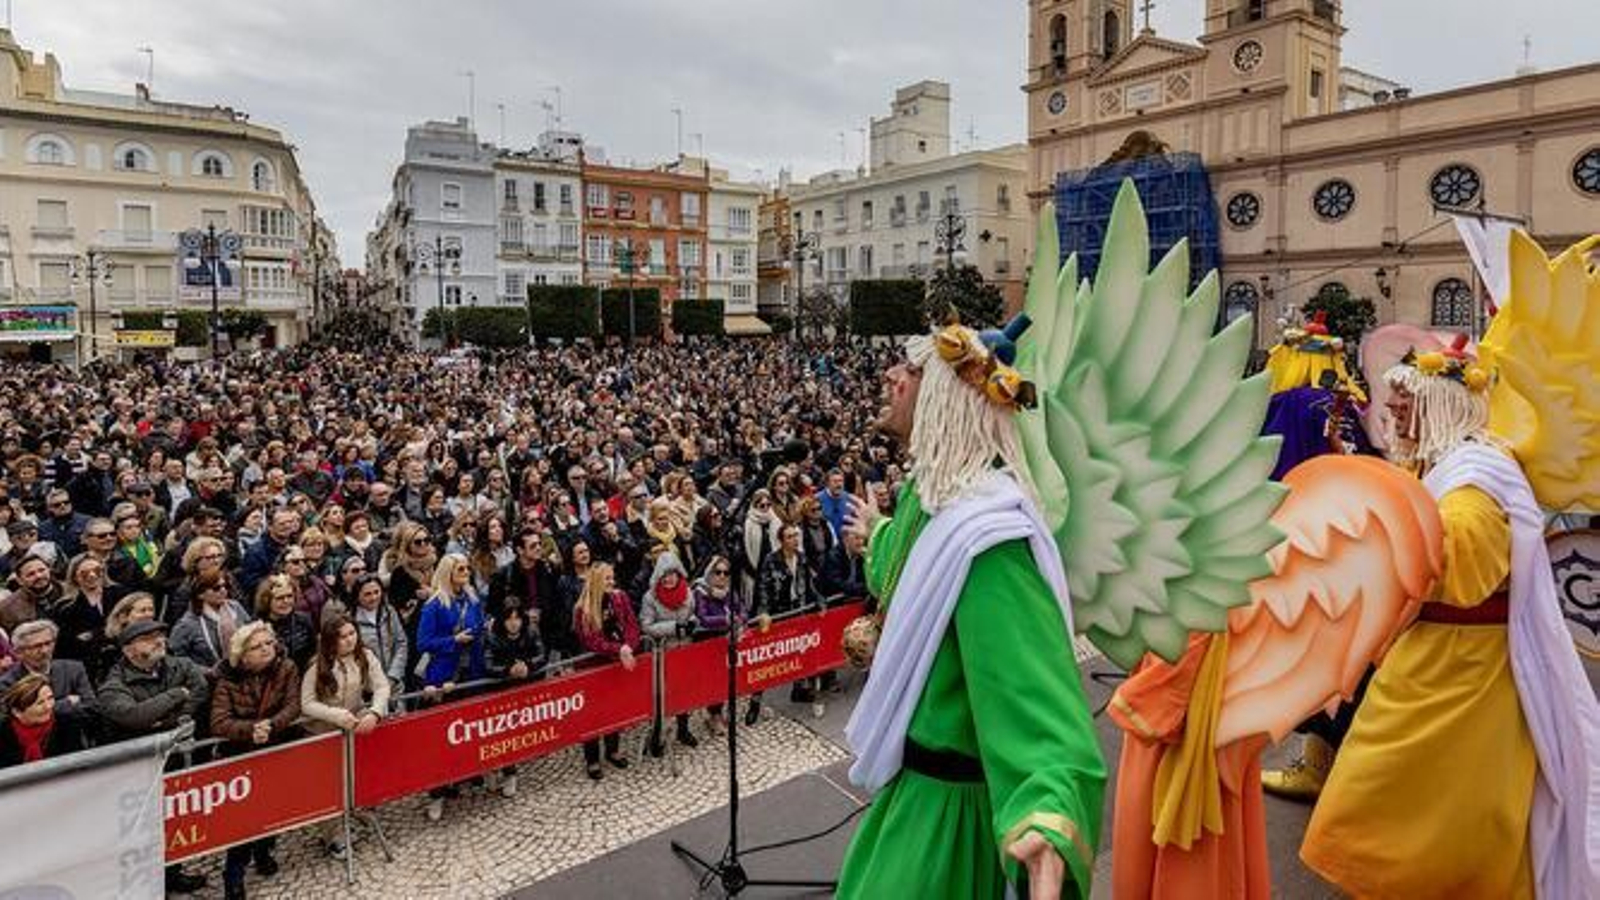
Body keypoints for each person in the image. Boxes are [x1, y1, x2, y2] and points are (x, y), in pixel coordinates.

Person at [1302, 339, 1600, 898]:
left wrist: (1379, 544)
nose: (1389, 411)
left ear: (1438, 405)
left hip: (1460, 670)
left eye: (1402, 402)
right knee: (1390, 800)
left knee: (1419, 811)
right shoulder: (1449, 467)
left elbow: (1465, 570)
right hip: (1435, 660)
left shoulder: (1474, 482)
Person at [836, 319, 1105, 898]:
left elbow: (1041, 709)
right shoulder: (927, 499)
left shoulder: (989, 545)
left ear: (940, 397)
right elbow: (910, 567)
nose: (890, 375)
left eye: (909, 369)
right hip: (912, 797)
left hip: (949, 825)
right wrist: (877, 530)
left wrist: (1045, 814)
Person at [98, 618, 210, 894]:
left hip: (172, 761)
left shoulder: (178, 664)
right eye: (148, 638)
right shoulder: (113, 684)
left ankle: (172, 874)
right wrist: (175, 695)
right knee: (141, 827)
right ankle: (145, 883)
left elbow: (200, 690)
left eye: (160, 634)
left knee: (172, 820)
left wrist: (169, 718)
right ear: (128, 650)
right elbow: (134, 716)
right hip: (135, 769)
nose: (159, 640)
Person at [210, 621, 301, 900]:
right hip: (242, 755)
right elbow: (219, 722)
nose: (266, 649)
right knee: (245, 819)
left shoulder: (287, 667)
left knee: (273, 807)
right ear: (242, 654)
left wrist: (271, 725)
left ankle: (264, 853)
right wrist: (251, 730)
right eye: (257, 646)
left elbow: (293, 704)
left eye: (268, 643)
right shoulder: (227, 679)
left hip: (277, 746)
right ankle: (234, 877)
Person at [300, 614, 387, 857]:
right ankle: (333, 835)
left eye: (351, 634)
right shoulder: (317, 665)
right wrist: (335, 715)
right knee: (329, 785)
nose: (349, 640)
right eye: (342, 637)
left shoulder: (365, 656)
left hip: (354, 728)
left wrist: (375, 711)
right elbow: (306, 703)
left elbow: (381, 686)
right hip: (323, 732)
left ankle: (354, 813)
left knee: (353, 777)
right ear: (330, 641)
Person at [414, 553, 488, 821]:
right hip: (444, 674)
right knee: (442, 736)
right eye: (460, 569)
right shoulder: (434, 604)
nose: (465, 572)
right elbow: (423, 642)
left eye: (467, 568)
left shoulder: (472, 598)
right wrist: (453, 640)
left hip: (472, 672)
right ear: (448, 572)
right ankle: (438, 791)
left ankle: (465, 774)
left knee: (469, 728)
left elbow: (479, 625)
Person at [572, 563, 639, 780]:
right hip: (592, 665)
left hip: (616, 662)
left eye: (613, 577)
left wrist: (628, 645)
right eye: (607, 579)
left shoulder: (620, 598)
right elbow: (591, 641)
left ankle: (613, 749)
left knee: (614, 707)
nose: (612, 582)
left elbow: (632, 625)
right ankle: (592, 759)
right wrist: (619, 649)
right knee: (593, 713)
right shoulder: (583, 609)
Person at [638, 551, 699, 751]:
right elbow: (646, 625)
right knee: (660, 696)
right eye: (665, 574)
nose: (669, 578)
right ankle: (657, 734)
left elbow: (693, 614)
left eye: (672, 573)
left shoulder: (687, 592)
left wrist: (691, 623)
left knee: (685, 691)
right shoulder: (650, 597)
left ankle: (683, 729)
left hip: (685, 650)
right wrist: (674, 627)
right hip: (662, 652)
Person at [484, 604, 545, 798]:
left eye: (517, 618)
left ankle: (510, 775)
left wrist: (528, 666)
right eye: (509, 618)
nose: (513, 623)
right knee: (498, 735)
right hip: (499, 692)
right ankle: (494, 770)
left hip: (524, 689)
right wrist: (507, 671)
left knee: (515, 735)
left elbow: (542, 655)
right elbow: (488, 664)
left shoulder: (531, 632)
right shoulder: (492, 637)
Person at [691, 555, 743, 736]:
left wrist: (739, 620)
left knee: (726, 679)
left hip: (727, 639)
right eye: (717, 572)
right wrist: (726, 620)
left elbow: (741, 609)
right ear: (710, 572)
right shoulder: (701, 591)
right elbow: (703, 618)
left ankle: (720, 713)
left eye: (725, 572)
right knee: (713, 680)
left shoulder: (730, 591)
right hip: (707, 641)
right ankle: (714, 715)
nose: (721, 576)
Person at [0, 673, 91, 768]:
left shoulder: (68, 725)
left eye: (50, 698)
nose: (48, 706)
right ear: (17, 712)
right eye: (40, 703)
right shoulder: (3, 734)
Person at [169, 572, 252, 675]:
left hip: (245, 672)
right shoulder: (187, 624)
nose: (223, 591)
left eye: (225, 586)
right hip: (209, 679)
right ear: (200, 594)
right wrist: (207, 672)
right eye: (216, 588)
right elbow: (174, 659)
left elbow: (251, 633)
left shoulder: (236, 607)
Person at [350, 574, 408, 694]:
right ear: (357, 596)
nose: (374, 597)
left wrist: (393, 676)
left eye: (377, 592)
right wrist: (372, 684)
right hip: (368, 689)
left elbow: (401, 643)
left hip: (395, 683)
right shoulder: (350, 620)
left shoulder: (390, 612)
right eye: (367, 594)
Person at [254, 573, 316, 672]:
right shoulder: (257, 627)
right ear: (267, 600)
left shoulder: (304, 620)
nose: (286, 601)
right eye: (279, 598)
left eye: (289, 596)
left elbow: (314, 652)